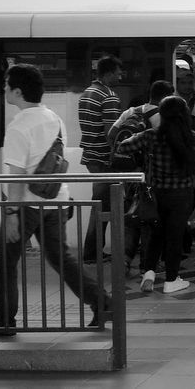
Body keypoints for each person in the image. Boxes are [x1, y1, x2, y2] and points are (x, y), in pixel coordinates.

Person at [0, 64, 111, 336]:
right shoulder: (54, 118)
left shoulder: (19, 126)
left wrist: (12, 213)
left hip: (27, 204)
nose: (4, 90)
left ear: (17, 91)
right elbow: (58, 160)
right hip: (56, 201)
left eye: (6, 85)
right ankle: (103, 302)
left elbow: (17, 176)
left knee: (5, 264)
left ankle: (4, 320)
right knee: (61, 260)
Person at [115, 96, 195, 294]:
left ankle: (149, 273)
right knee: (175, 237)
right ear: (184, 115)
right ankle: (171, 280)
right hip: (182, 194)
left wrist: (143, 156)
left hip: (155, 194)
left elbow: (122, 146)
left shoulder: (150, 135)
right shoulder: (193, 137)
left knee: (157, 234)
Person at [108, 80, 172, 270]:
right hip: (148, 174)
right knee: (149, 216)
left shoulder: (130, 112)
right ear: (167, 97)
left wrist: (124, 156)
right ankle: (147, 261)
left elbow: (112, 135)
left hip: (127, 172)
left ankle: (126, 259)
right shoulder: (160, 117)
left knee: (131, 213)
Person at [78, 55, 123, 263]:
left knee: (99, 202)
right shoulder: (109, 96)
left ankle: (92, 251)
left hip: (90, 155)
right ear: (108, 73)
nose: (120, 77)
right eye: (118, 73)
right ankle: (91, 252)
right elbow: (111, 133)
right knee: (102, 204)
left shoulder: (87, 93)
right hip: (104, 157)